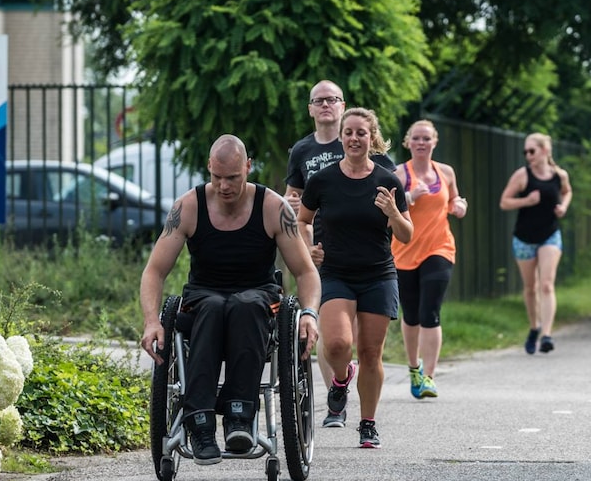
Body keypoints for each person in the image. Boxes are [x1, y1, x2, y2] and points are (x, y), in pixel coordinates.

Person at [139, 134, 320, 466]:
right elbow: (154, 271)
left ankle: (240, 416)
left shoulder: (273, 207)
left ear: (248, 167)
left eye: (233, 178)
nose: (224, 186)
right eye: (217, 177)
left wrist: (309, 313)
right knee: (213, 307)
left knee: (244, 306)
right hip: (203, 297)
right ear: (209, 167)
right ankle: (201, 423)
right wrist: (152, 321)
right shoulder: (188, 206)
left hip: (258, 296)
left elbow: (306, 273)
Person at [296, 107, 412, 449]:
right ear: (341, 137)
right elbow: (302, 221)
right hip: (335, 273)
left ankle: (368, 423)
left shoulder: (387, 181)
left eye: (361, 133)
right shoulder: (323, 180)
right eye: (349, 132)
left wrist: (393, 213)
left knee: (371, 351)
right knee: (335, 345)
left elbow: (407, 235)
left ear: (371, 137)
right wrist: (309, 250)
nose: (354, 138)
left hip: (378, 274)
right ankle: (342, 379)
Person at [284, 79, 395, 428]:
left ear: (343, 105)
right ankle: (336, 397)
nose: (326, 105)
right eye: (319, 100)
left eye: (332, 99)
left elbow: (393, 196)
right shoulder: (302, 151)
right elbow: (294, 201)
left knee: (364, 344)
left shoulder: (368, 148)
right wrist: (303, 248)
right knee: (333, 338)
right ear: (311, 109)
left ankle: (357, 409)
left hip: (370, 257)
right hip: (323, 256)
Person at [390, 120, 467, 399]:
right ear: (408, 143)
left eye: (426, 139)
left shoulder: (445, 172)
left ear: (434, 142)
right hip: (405, 251)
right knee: (410, 315)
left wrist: (459, 206)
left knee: (429, 312)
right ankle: (413, 368)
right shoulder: (398, 174)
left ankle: (430, 377)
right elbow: (390, 211)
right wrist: (410, 195)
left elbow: (454, 200)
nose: (421, 143)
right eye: (416, 139)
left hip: (440, 248)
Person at [499, 132, 572, 355]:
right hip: (524, 238)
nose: (528, 155)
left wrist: (564, 206)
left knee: (546, 284)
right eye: (525, 152)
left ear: (545, 150)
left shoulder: (559, 175)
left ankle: (547, 334)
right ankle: (534, 327)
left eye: (532, 150)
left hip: (550, 235)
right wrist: (526, 201)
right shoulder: (522, 176)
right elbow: (504, 202)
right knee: (530, 288)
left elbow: (567, 192)